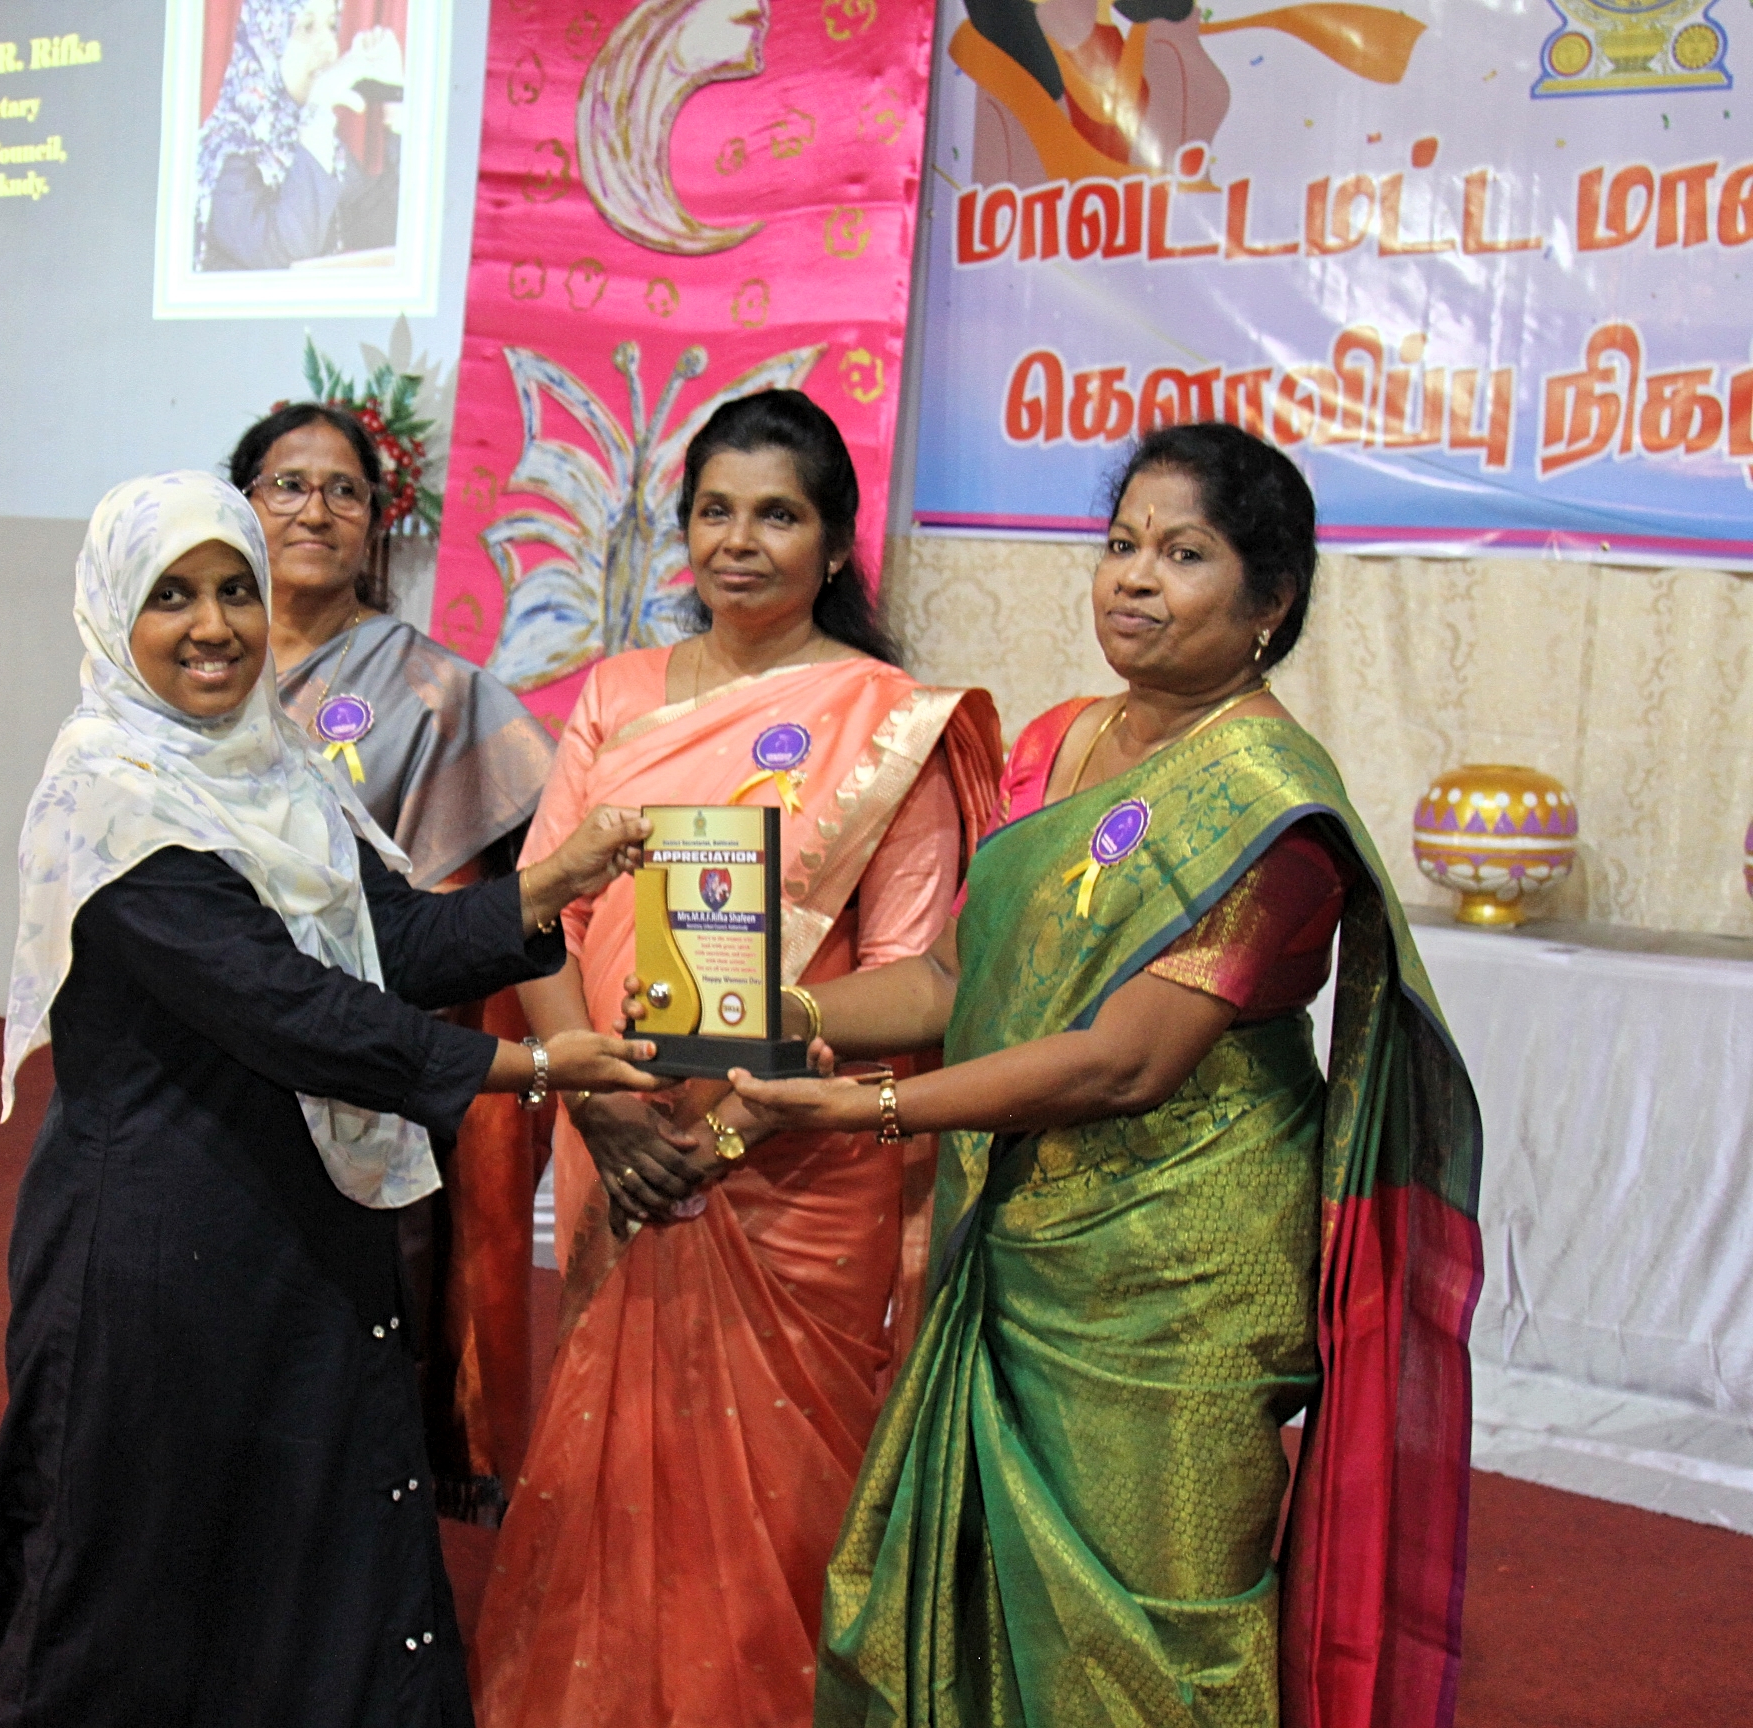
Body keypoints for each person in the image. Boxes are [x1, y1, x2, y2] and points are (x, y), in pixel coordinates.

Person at [712, 424, 1483, 1727]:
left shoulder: (1269, 803)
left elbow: (1128, 1062)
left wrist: (871, 1107)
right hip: (1021, 1236)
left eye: (1184, 554)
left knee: (1152, 1637)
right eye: (1122, 543)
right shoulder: (1057, 743)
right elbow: (950, 982)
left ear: (1271, 599)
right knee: (980, 1605)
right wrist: (773, 1016)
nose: (1133, 576)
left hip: (1179, 1279)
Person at [0, 471, 666, 1728]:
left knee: (302, 1559)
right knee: (129, 1589)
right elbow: (291, 1010)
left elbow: (388, 944)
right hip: (158, 1254)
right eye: (172, 597)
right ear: (113, 614)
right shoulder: (113, 794)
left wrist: (552, 882)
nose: (214, 627)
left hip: (299, 1231)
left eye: (235, 591)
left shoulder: (276, 770)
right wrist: (531, 1070)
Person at [469, 390, 1005, 1728]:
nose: (740, 542)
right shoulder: (617, 696)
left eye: (778, 515)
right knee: (614, 1459)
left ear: (837, 543)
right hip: (617, 1136)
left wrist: (762, 1072)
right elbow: (537, 915)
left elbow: (922, 976)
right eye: (715, 511)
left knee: (779, 1482)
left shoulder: (886, 721)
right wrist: (589, 1095)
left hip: (797, 1160)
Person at [234, 400, 560, 1519]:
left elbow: (495, 883)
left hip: (363, 1052)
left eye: (344, 490)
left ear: (378, 519)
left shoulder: (436, 693)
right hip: (218, 1036)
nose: (315, 510)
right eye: (287, 485)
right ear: (243, 505)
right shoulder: (200, 669)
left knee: (359, 1326)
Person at [196, 0, 404, 271]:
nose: (329, 46)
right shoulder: (223, 153)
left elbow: (387, 227)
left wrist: (393, 93)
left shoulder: (313, 142)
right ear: (264, 38)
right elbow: (289, 256)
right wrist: (318, 112)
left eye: (332, 26)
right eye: (306, 27)